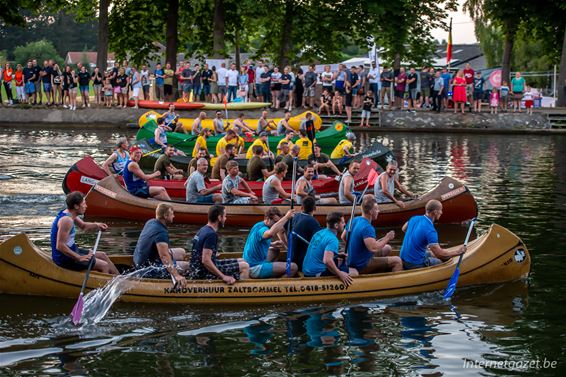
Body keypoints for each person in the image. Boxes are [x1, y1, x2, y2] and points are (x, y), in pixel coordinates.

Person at [51, 191, 118, 274]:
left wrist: (97, 225)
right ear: (76, 206)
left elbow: (83, 226)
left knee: (102, 255)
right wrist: (79, 257)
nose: (86, 206)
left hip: (73, 250)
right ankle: (103, 286)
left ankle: (122, 280)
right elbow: (60, 246)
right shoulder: (66, 220)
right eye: (83, 204)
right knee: (104, 265)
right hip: (64, 258)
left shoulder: (69, 214)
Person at [188, 205, 250, 284]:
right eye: (224, 216)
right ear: (219, 218)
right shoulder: (211, 234)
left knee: (243, 260)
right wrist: (223, 276)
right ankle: (238, 292)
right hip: (203, 272)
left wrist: (213, 253)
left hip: (198, 268)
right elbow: (205, 260)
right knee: (245, 267)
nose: (225, 219)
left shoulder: (203, 229)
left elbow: (199, 253)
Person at [343, 195, 402, 274]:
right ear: (371, 212)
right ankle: (393, 283)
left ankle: (379, 270)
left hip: (354, 259)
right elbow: (373, 248)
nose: (379, 211)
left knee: (387, 248)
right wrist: (387, 238)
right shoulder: (368, 228)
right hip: (362, 264)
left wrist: (355, 246)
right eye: (377, 209)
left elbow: (343, 237)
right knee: (397, 261)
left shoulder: (353, 220)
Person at [400, 200, 466, 269]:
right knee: (439, 262)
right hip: (413, 264)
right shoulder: (430, 230)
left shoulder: (414, 218)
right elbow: (439, 254)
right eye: (440, 210)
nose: (441, 212)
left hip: (403, 258)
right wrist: (457, 252)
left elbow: (403, 229)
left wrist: (419, 241)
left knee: (432, 253)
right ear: (435, 212)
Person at [133, 203, 188, 285]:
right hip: (146, 269)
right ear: (165, 216)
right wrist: (176, 275)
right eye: (172, 214)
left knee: (182, 252)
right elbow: (164, 256)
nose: (174, 216)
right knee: (187, 266)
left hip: (138, 260)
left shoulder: (150, 222)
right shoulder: (161, 232)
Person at [302, 212, 358, 286]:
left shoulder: (319, 233)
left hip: (306, 271)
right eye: (343, 222)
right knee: (354, 272)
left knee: (339, 260)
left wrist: (337, 255)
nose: (344, 224)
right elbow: (327, 261)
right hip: (315, 274)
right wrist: (340, 274)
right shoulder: (333, 239)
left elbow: (319, 251)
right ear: (336, 225)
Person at [244, 208, 298, 278]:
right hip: (254, 267)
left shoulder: (258, 224)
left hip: (252, 262)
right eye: (275, 222)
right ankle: (277, 284)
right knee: (293, 267)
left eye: (278, 222)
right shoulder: (262, 229)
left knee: (275, 250)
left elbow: (257, 242)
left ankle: (272, 271)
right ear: (267, 219)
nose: (277, 224)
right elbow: (270, 234)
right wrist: (286, 217)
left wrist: (272, 244)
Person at [288, 196, 321, 271]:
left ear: (301, 207)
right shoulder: (313, 221)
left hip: (290, 256)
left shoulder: (294, 216)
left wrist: (286, 244)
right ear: (315, 209)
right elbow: (319, 243)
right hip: (302, 261)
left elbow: (281, 231)